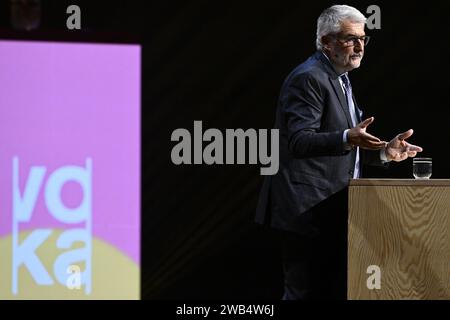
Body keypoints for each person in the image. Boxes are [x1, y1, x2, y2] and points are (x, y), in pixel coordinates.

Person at [255, 4, 423, 300]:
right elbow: (299, 140)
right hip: (306, 210)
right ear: (325, 42)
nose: (359, 46)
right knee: (303, 294)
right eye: (349, 38)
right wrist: (348, 135)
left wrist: (385, 151)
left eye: (363, 38)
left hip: (330, 210)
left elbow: (344, 146)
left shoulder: (339, 77)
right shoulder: (309, 77)